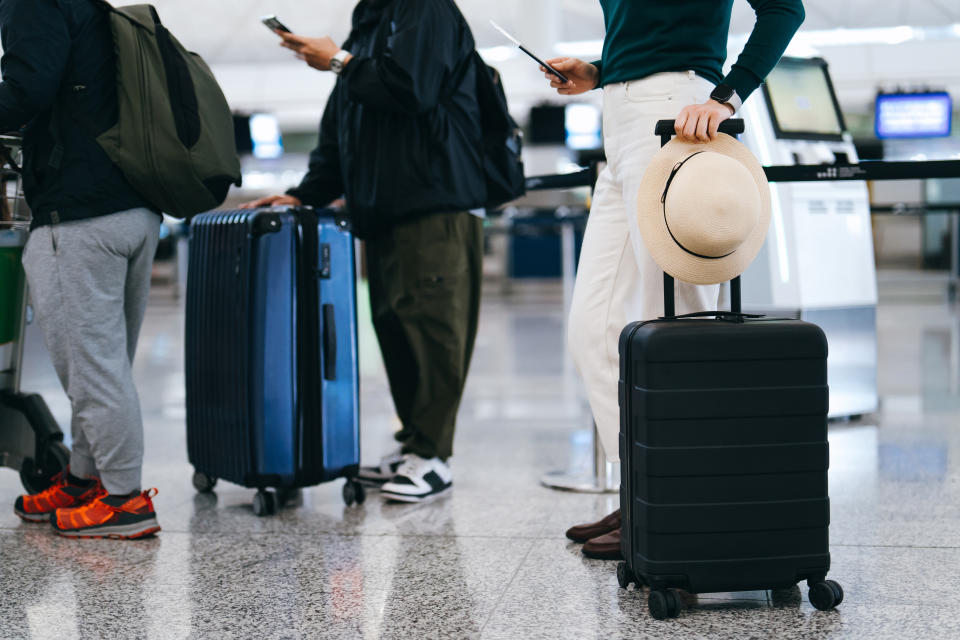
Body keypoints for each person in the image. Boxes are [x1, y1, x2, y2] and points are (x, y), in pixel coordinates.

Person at [544, 0, 806, 558]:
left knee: (677, 322)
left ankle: (688, 504)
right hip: (619, 119)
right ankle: (645, 490)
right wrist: (599, 70)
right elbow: (652, 28)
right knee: (594, 327)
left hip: (672, 111)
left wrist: (725, 96)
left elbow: (786, 9)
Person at [242, 0, 485, 503]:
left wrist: (339, 62)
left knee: (433, 328)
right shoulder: (370, 23)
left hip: (434, 202)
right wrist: (305, 193)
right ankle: (414, 444)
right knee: (395, 324)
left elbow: (413, 88)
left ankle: (435, 455)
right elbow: (342, 128)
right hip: (384, 210)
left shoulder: (425, 9)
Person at [2, 0, 161, 538]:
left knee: (94, 371)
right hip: (135, 209)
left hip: (80, 219)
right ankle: (84, 480)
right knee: (104, 365)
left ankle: (125, 501)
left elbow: (26, 89)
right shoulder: (92, 8)